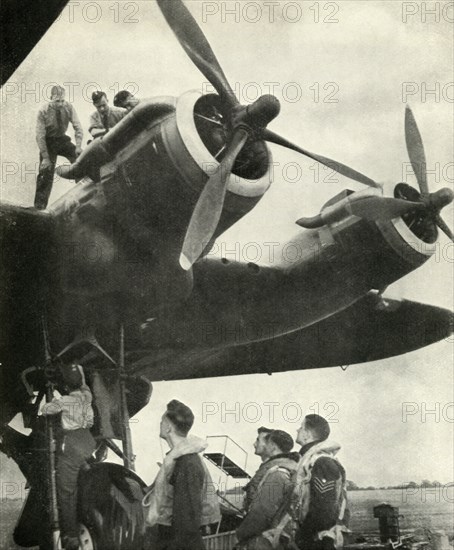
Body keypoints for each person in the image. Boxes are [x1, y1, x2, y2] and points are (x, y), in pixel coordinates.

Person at [41, 363, 96, 550]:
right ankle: (84, 466)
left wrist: (50, 390)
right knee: (78, 463)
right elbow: (84, 386)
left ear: (65, 386)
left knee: (66, 492)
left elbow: (46, 410)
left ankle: (71, 537)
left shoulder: (64, 401)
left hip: (72, 444)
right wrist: (79, 371)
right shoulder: (87, 396)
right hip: (88, 441)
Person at [153, 400, 221, 550]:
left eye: (161, 421)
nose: (159, 424)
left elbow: (187, 522)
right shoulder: (180, 459)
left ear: (168, 427)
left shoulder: (186, 462)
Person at [292, 414, 348, 550]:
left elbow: (324, 512)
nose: (297, 430)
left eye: (301, 427)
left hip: (318, 542)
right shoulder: (312, 461)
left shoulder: (322, 462)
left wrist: (303, 536)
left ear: (307, 435)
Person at [236, 429, 298, 549]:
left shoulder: (278, 473)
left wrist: (241, 534)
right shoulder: (286, 468)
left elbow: (262, 512)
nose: (255, 444)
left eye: (260, 440)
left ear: (273, 446)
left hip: (266, 540)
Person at [34, 85, 83, 209]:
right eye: (57, 101)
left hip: (61, 139)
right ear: (51, 98)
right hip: (48, 142)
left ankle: (83, 194)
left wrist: (78, 146)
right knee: (46, 171)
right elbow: (40, 136)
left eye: (62, 100)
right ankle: (39, 206)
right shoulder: (43, 111)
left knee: (81, 159)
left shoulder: (68, 107)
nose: (60, 104)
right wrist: (45, 157)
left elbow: (78, 127)